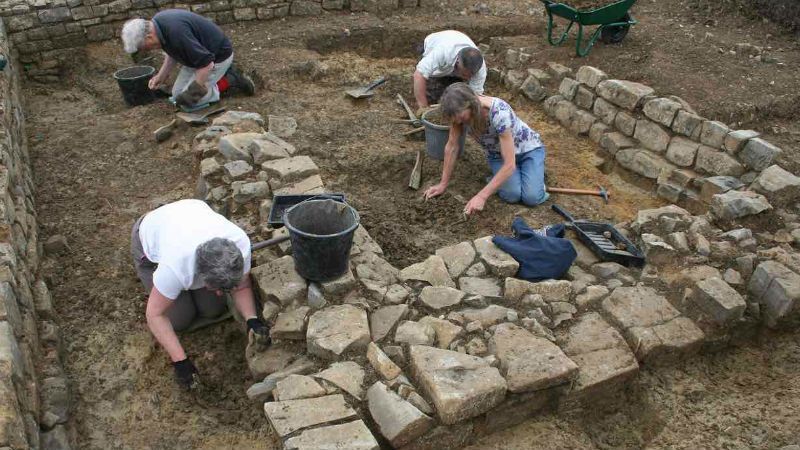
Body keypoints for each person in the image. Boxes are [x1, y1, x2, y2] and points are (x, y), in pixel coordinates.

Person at [130, 199, 270, 390]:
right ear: (201, 274)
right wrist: (181, 362)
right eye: (218, 287)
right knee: (181, 320)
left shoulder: (239, 246)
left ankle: (189, 294)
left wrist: (251, 319)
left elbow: (242, 286)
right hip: (149, 236)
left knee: (213, 310)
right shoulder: (175, 267)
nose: (222, 292)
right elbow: (154, 315)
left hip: (191, 210)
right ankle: (180, 293)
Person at [424, 82, 549, 215]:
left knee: (531, 198)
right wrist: (443, 184)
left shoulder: (499, 114)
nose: (460, 123)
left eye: (462, 118)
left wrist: (481, 196)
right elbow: (452, 146)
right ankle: (520, 177)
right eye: (457, 120)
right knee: (512, 195)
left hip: (528, 150)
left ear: (471, 104)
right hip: (498, 155)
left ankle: (536, 181)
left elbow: (509, 164)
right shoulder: (459, 115)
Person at [120, 10, 255, 110]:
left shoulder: (176, 33)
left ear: (149, 37)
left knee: (190, 102)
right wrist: (160, 76)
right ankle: (213, 82)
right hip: (196, 57)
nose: (146, 50)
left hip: (217, 56)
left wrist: (194, 92)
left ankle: (231, 79)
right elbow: (172, 53)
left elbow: (207, 64)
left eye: (144, 47)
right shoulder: (158, 25)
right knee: (177, 95)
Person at [413, 30, 487, 111]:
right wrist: (423, 107)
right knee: (432, 96)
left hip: (453, 65)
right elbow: (419, 74)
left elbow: (475, 96)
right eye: (465, 74)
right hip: (432, 45)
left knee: (455, 97)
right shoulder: (443, 52)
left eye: (470, 75)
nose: (468, 77)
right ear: (458, 61)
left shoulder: (480, 69)